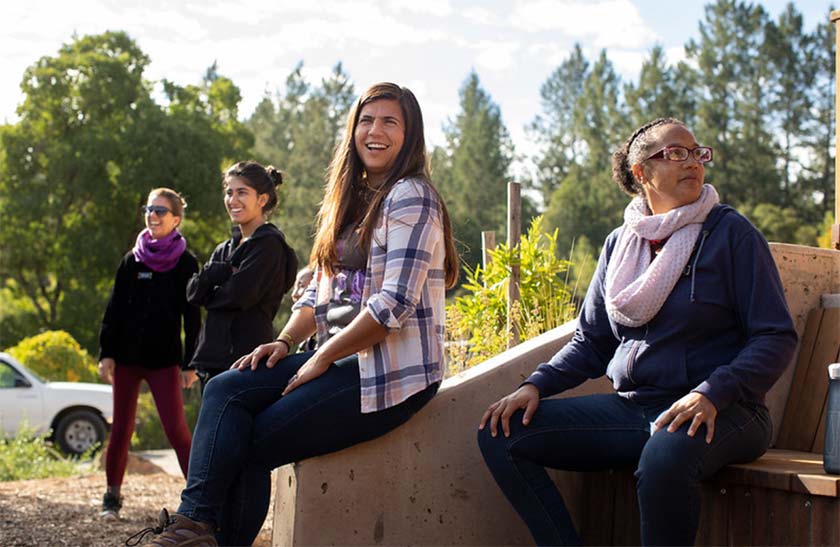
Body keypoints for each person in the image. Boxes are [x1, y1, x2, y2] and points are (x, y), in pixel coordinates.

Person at [133, 82, 459, 547]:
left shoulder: (411, 196)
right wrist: (284, 341)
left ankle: (203, 535)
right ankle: (195, 523)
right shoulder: (349, 199)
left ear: (410, 135)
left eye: (390, 122)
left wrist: (322, 356)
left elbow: (394, 305)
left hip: (388, 374)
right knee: (226, 388)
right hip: (338, 355)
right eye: (366, 120)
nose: (375, 131)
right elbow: (319, 295)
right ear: (353, 130)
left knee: (252, 439)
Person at [477, 118, 798, 546]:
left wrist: (711, 392)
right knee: (503, 432)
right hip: (635, 410)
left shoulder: (730, 235)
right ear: (642, 172)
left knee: (665, 455)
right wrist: (536, 384)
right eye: (676, 153)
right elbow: (592, 341)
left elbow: (775, 336)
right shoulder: (620, 245)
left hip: (725, 411)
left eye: (697, 152)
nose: (694, 163)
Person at [97, 188, 201, 520]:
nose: (152, 215)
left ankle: (199, 500)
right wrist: (106, 354)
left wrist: (190, 364)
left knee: (176, 430)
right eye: (148, 209)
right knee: (122, 430)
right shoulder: (132, 260)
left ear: (176, 219)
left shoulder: (187, 263)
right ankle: (112, 498)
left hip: (164, 361)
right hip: (126, 359)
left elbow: (192, 319)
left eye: (160, 210)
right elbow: (113, 311)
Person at [185, 161, 298, 391]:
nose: (232, 200)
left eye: (242, 193)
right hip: (212, 362)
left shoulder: (269, 245)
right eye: (229, 192)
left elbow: (240, 296)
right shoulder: (225, 248)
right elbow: (193, 294)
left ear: (262, 199)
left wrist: (212, 294)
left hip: (246, 362)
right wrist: (220, 272)